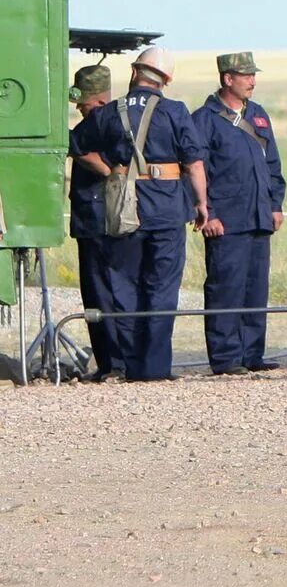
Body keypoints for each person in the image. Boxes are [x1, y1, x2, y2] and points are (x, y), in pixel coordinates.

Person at [71, 45, 209, 382]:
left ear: (135, 73)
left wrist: (110, 171)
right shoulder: (175, 111)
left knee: (124, 287)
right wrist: (202, 204)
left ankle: (128, 365)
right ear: (165, 79)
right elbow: (193, 164)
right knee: (162, 289)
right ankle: (155, 369)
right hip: (167, 211)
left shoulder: (108, 113)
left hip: (125, 210)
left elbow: (74, 143)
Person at [192, 52, 285, 374]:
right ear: (227, 79)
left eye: (253, 75)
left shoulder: (258, 115)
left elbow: (272, 164)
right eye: (245, 76)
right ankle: (226, 358)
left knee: (255, 289)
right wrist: (209, 213)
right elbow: (197, 169)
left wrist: (275, 205)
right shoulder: (204, 119)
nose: (252, 81)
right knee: (225, 289)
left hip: (259, 216)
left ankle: (252, 355)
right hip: (226, 221)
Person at [67, 64, 120, 379]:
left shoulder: (101, 123)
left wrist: (74, 148)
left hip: (99, 219)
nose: (79, 107)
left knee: (101, 292)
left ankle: (112, 362)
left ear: (97, 100)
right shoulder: (119, 120)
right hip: (102, 218)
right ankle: (114, 361)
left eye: (82, 102)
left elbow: (107, 168)